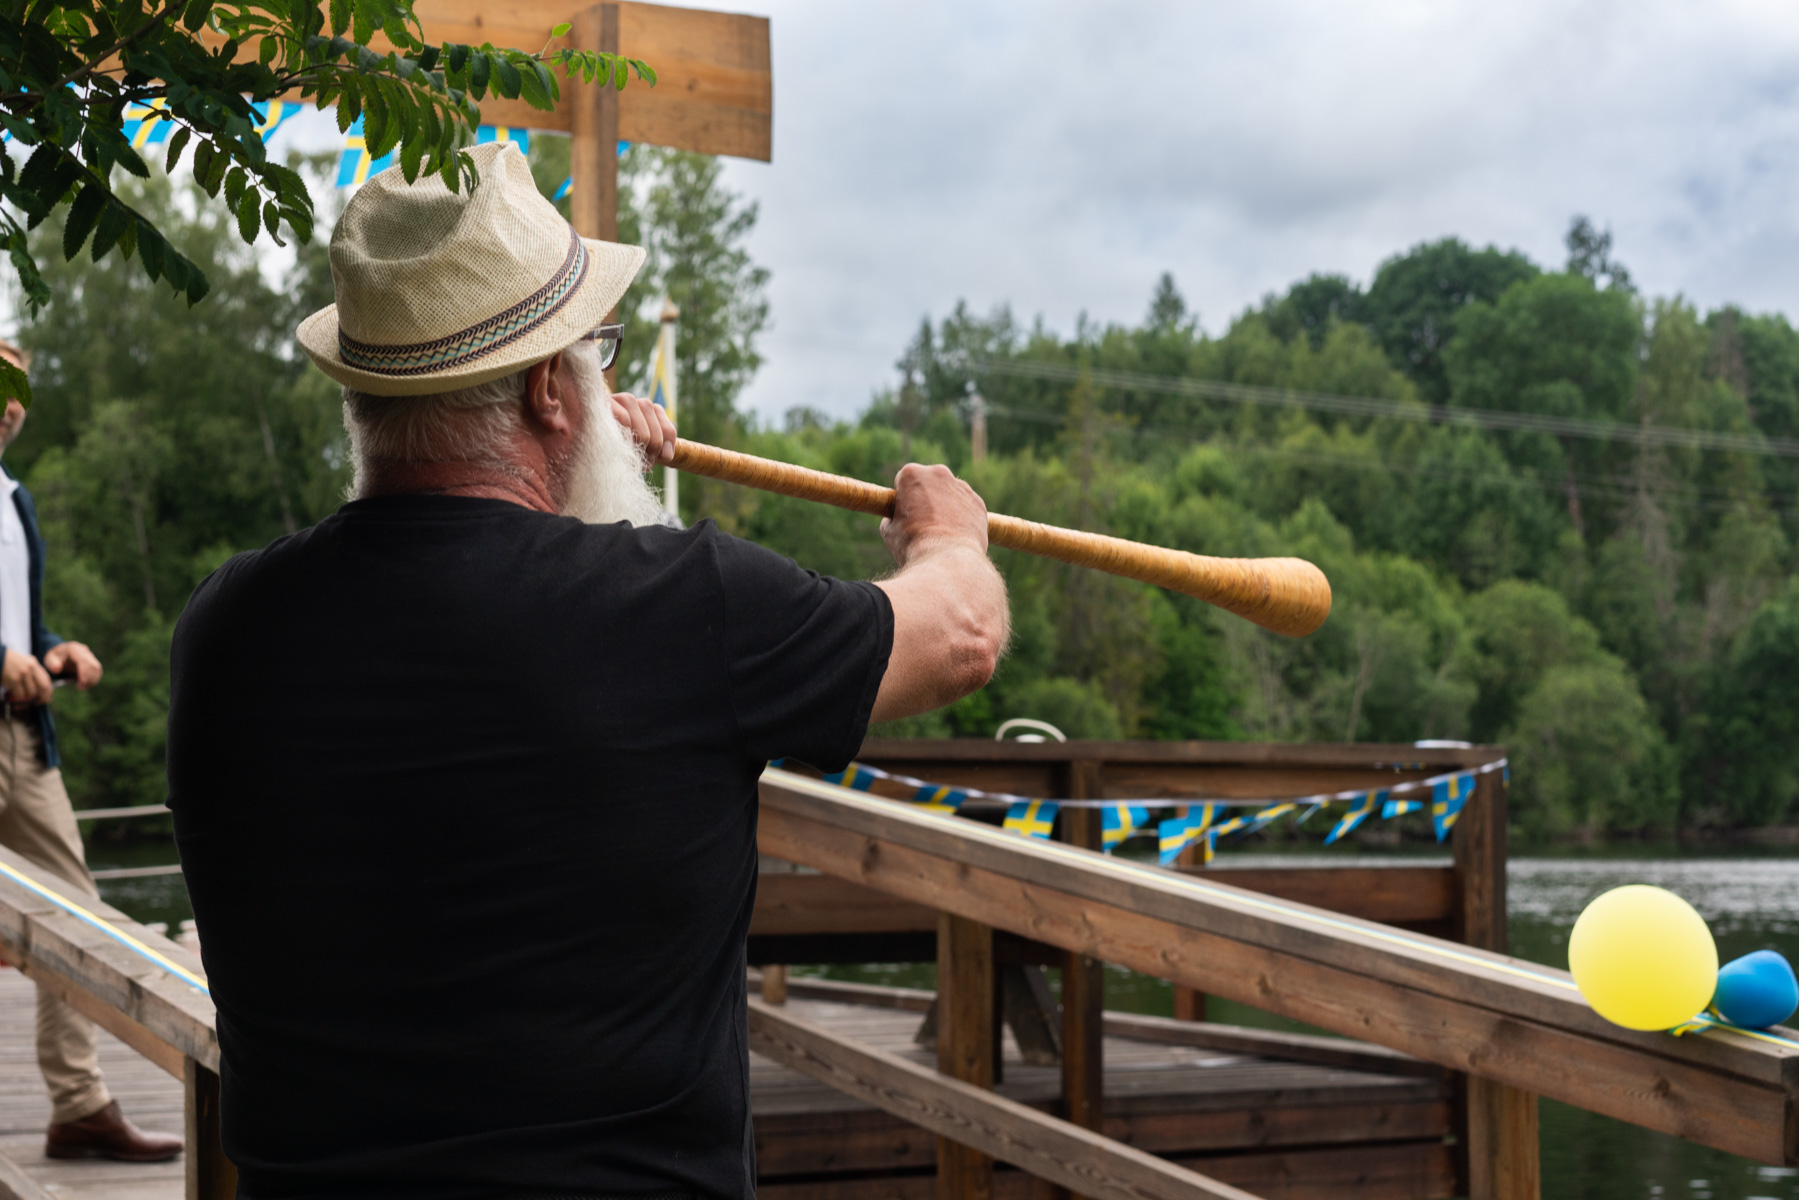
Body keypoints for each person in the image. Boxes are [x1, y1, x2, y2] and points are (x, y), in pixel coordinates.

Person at [165, 142, 1008, 1200]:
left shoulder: (229, 627)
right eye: (591, 354)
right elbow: (958, 635)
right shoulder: (680, 606)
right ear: (545, 394)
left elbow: (494, 610)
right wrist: (948, 535)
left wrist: (574, 467)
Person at [0, 340, 184, 1162]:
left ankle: (78, 1106)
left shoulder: (15, 501)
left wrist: (54, 647)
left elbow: (18, 632)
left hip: (22, 737)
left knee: (74, 905)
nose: (11, 401)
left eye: (22, 386)